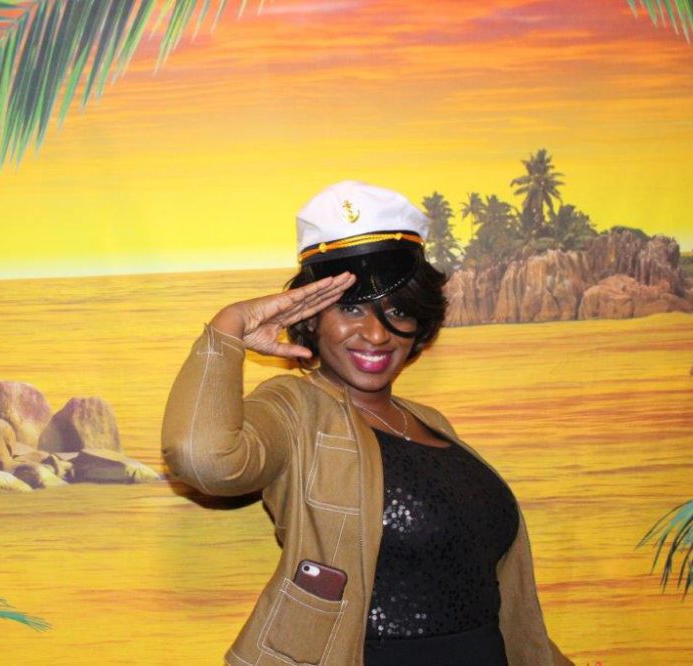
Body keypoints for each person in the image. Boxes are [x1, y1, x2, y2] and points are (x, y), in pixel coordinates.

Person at [162, 181, 573, 665]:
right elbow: (202, 458)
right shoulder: (296, 408)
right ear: (311, 319)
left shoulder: (430, 421)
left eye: (397, 310)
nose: (376, 334)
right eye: (351, 308)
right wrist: (229, 327)